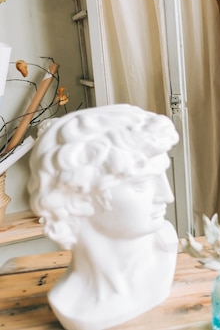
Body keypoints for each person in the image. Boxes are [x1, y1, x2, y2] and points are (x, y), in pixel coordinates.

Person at [27, 104, 179, 330]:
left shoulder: (165, 245)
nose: (167, 196)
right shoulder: (70, 304)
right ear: (80, 196)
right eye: (141, 184)